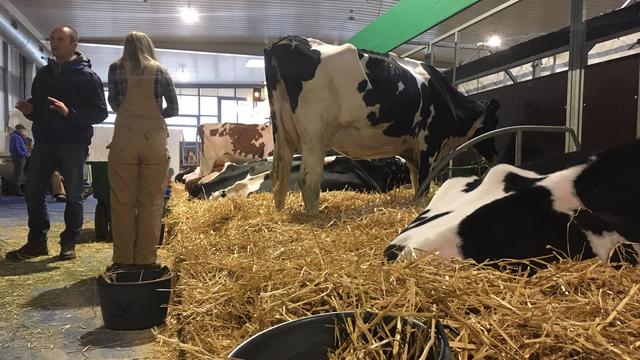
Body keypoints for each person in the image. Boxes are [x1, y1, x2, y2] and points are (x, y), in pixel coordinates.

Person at [6, 25, 108, 261]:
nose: (54, 43)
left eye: (60, 39)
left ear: (74, 45)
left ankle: (69, 242)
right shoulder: (43, 74)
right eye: (52, 39)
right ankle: (37, 241)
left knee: (73, 194)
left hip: (73, 143)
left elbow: (99, 113)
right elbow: (39, 108)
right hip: (44, 141)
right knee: (33, 191)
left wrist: (69, 113)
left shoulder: (88, 77)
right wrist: (30, 110)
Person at [107, 31, 178, 269]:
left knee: (122, 201)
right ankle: (147, 260)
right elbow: (174, 108)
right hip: (154, 140)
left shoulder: (115, 68)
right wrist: (157, 114)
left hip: (125, 138)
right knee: (152, 202)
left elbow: (114, 102)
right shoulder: (160, 70)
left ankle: (123, 260)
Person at [9, 124, 29, 195]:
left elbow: (24, 145)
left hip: (20, 157)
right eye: (22, 129)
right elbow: (16, 148)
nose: (23, 131)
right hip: (18, 157)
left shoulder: (19, 136)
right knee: (18, 174)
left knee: (19, 174)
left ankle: (15, 189)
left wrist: (24, 138)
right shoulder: (15, 136)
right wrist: (23, 154)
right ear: (18, 129)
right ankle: (15, 190)